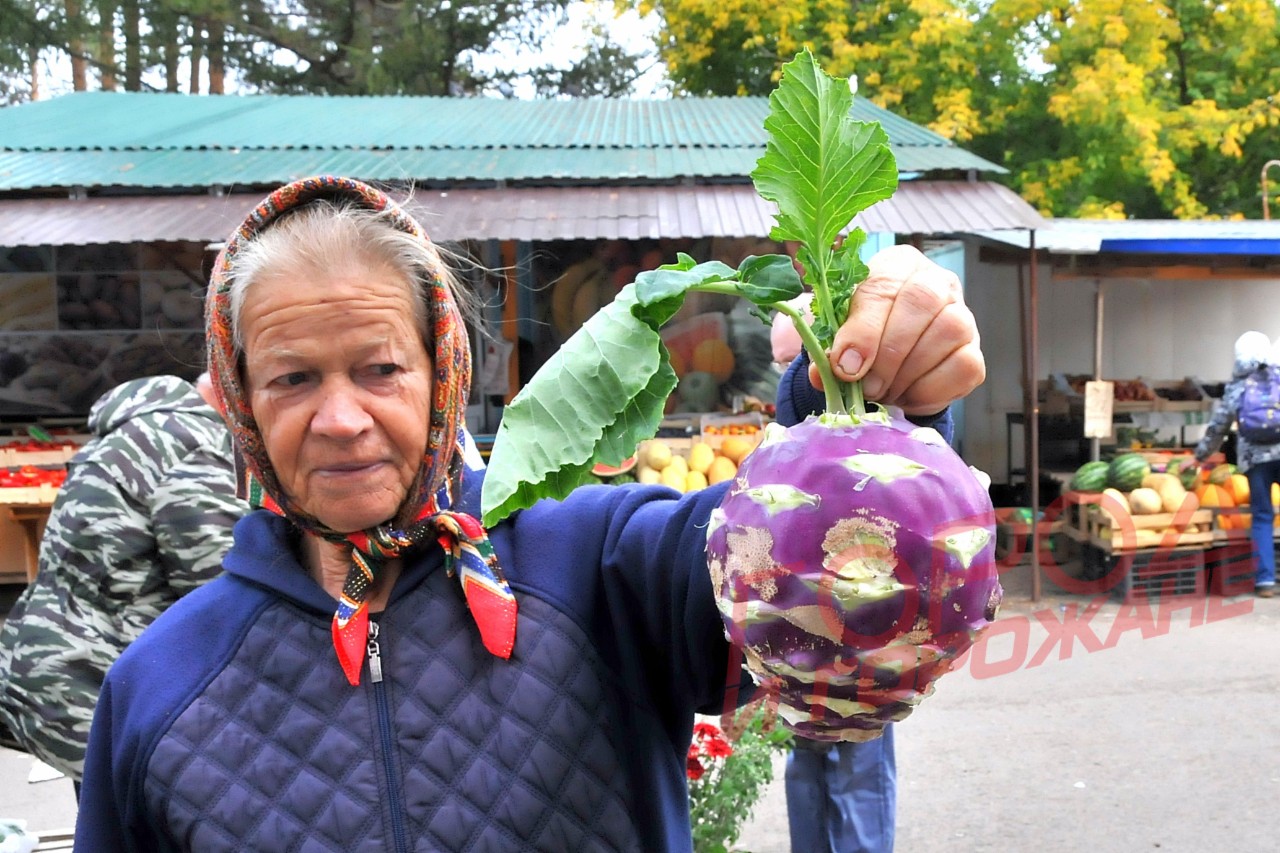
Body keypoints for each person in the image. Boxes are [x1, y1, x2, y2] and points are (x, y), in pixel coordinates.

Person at [73, 176, 985, 851]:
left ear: (443, 373)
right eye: (292, 378)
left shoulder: (598, 565)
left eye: (381, 368)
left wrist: (872, 394)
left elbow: (795, 556)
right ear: (239, 401)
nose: (341, 417)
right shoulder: (158, 687)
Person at [0, 372, 247, 787]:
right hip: (93, 681)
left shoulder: (136, 430)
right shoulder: (195, 444)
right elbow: (219, 595)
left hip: (53, 663)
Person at [772, 291, 899, 853]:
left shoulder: (872, 440)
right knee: (807, 756)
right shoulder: (787, 447)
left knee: (858, 759)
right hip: (799, 625)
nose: (785, 378)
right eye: (779, 366)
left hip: (864, 621)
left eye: (792, 363)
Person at [1187, 330, 1280, 598]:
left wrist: (1199, 456)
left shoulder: (1237, 386)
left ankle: (1265, 581)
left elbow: (1219, 427)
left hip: (1254, 459)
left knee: (1262, 516)